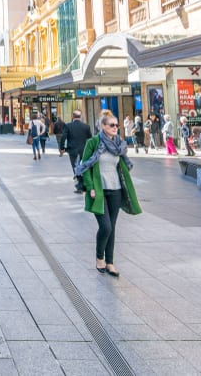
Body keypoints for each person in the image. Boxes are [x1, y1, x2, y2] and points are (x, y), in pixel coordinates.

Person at [76, 109, 141, 277]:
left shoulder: (119, 144)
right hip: (99, 190)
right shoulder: (93, 143)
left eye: (117, 125)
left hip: (116, 189)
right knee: (105, 226)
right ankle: (99, 258)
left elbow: (122, 165)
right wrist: (90, 187)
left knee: (112, 227)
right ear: (102, 126)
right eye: (112, 125)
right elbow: (85, 165)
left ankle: (110, 262)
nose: (115, 128)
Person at [60, 110, 93, 192]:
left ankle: (80, 185)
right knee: (84, 166)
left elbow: (63, 137)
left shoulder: (68, 126)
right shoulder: (86, 126)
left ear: (73, 117)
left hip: (72, 150)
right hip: (84, 150)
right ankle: (85, 184)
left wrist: (62, 148)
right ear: (80, 117)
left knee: (75, 167)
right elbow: (90, 139)